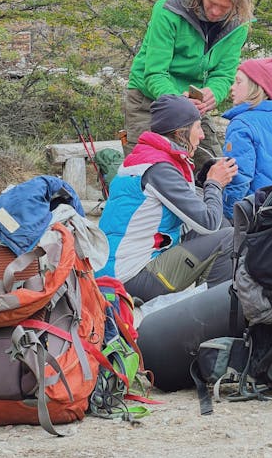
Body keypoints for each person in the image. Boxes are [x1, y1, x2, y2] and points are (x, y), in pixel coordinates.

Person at [96, 94, 238, 303]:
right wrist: (214, 184)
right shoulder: (160, 169)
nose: (202, 136)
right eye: (198, 128)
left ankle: (204, 303)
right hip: (128, 277)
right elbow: (208, 223)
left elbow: (186, 213)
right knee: (229, 238)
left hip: (118, 267)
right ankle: (212, 311)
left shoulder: (150, 157)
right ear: (181, 133)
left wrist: (203, 180)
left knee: (222, 226)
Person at [124, 0, 254, 166]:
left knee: (212, 166)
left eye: (225, 7)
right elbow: (155, 73)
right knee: (146, 169)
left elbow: (223, 73)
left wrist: (214, 93)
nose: (215, 12)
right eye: (212, 3)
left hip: (194, 106)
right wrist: (179, 102)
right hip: (149, 101)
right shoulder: (169, 9)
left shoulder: (239, 24)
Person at [221, 57, 272, 221]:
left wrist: (230, 215)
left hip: (254, 210)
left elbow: (238, 177)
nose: (232, 88)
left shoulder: (241, 124)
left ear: (256, 87)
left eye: (238, 82)